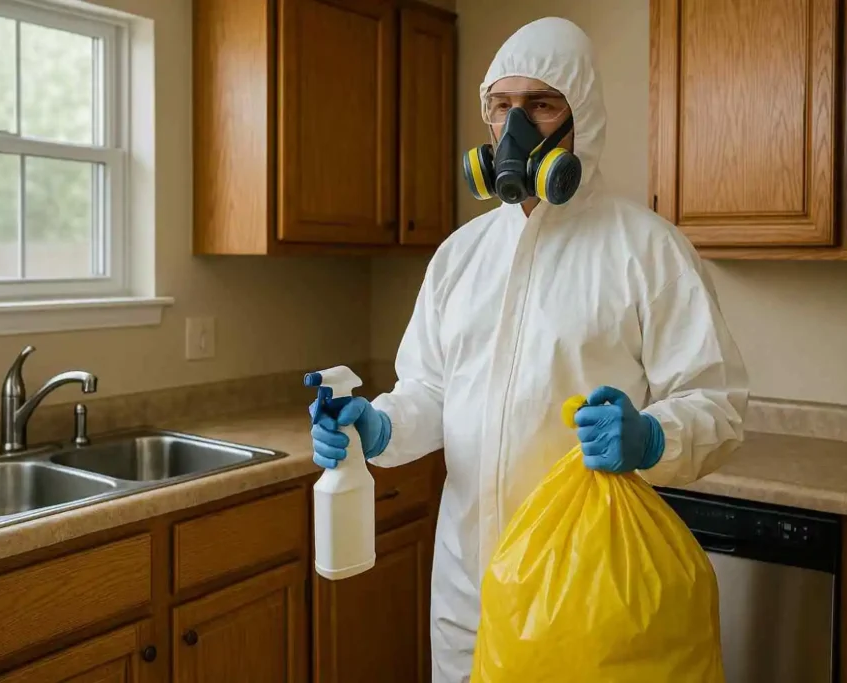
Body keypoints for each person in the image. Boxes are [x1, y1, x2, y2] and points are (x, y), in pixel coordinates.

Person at [308, 16, 749, 683]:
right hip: (466, 585)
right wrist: (378, 425)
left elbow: (717, 405)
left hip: (587, 594)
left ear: (584, 119)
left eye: (541, 105)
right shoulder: (460, 256)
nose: (515, 129)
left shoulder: (646, 250)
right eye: (501, 106)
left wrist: (653, 436)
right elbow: (429, 391)